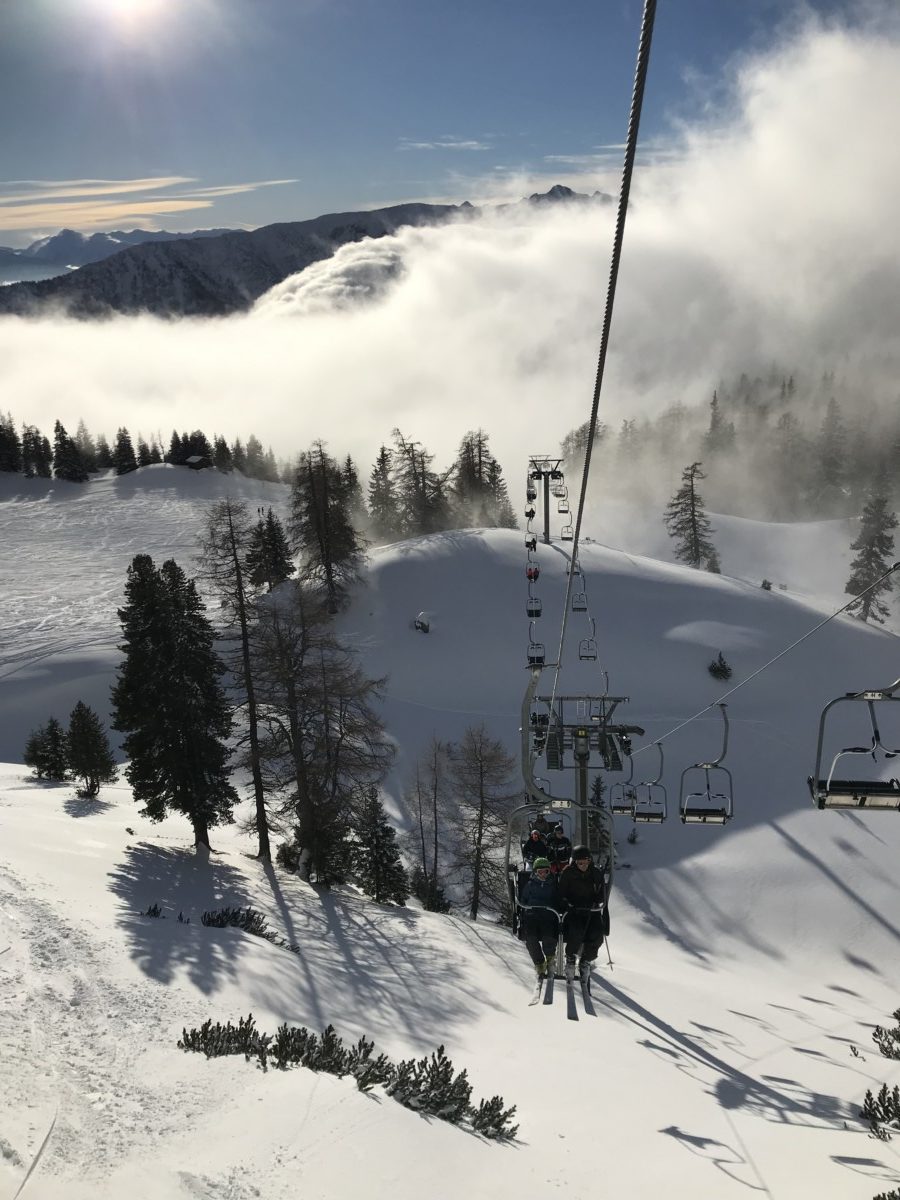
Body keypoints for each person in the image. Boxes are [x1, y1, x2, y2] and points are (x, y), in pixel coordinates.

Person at [558, 846, 608, 978]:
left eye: (587, 862)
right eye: (580, 863)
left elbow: (602, 893)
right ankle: (570, 958)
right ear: (574, 862)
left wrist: (599, 897)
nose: (584, 866)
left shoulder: (596, 873)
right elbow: (561, 893)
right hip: (574, 910)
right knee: (576, 932)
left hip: (591, 910)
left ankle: (586, 960)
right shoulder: (568, 873)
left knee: (597, 935)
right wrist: (567, 904)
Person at [519, 858, 561, 977]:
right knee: (531, 939)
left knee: (549, 937)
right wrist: (526, 908)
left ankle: (550, 958)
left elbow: (557, 900)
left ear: (549, 872)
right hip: (532, 916)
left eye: (546, 872)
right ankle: (539, 963)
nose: (543, 875)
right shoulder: (530, 885)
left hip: (548, 916)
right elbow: (523, 899)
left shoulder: (553, 885)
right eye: (540, 872)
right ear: (535, 872)